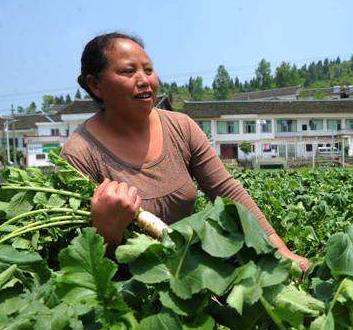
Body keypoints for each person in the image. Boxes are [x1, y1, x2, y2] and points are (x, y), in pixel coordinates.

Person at [61, 32, 309, 271]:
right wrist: (107, 231)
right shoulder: (79, 154)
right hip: (130, 288)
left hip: (193, 272)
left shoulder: (180, 126)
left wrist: (280, 251)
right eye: (128, 71)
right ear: (95, 85)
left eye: (148, 70)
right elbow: (81, 261)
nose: (144, 80)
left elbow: (227, 192)